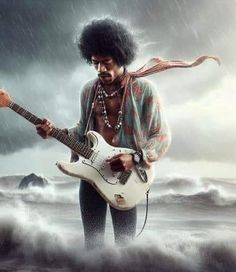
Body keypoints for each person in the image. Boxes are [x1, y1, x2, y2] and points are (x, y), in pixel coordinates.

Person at [36, 18, 171, 249]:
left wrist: (135, 158)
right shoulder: (89, 90)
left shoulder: (144, 90)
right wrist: (54, 132)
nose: (100, 69)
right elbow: (82, 132)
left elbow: (161, 136)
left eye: (106, 62)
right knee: (92, 246)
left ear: (121, 57)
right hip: (91, 177)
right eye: (95, 63)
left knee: (126, 247)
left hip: (127, 179)